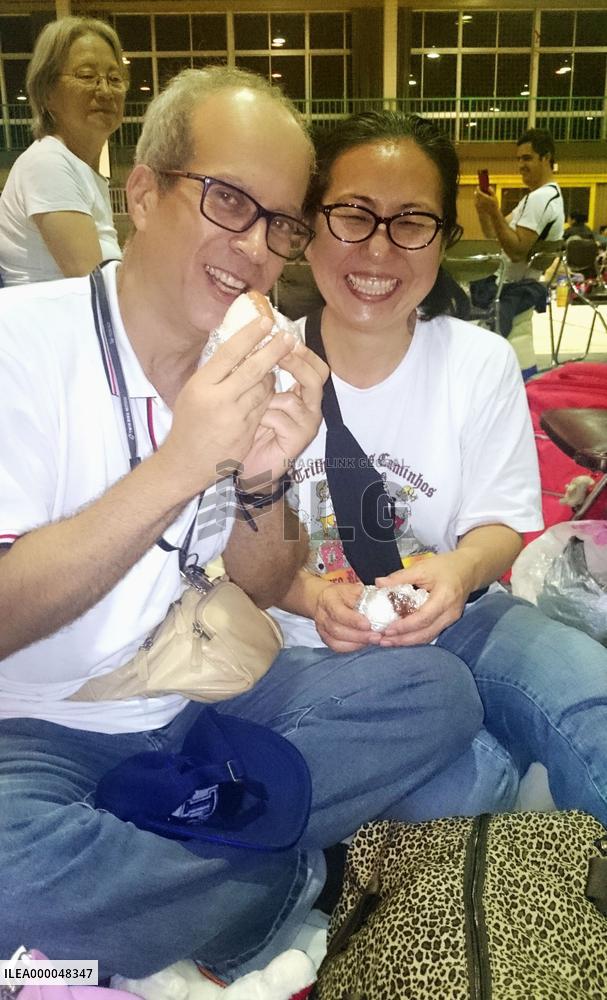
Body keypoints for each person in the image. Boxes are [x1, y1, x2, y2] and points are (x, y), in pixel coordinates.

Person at [0, 70, 491, 983]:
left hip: (203, 698)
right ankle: (277, 875)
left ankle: (172, 874)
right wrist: (183, 463)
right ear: (141, 193)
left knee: (435, 694)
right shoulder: (19, 342)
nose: (256, 247)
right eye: (228, 200)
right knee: (13, 885)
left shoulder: (247, 358)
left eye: (281, 223)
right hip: (34, 729)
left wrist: (263, 482)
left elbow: (262, 585)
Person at [259, 109, 607, 835]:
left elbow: (500, 523)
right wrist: (310, 593)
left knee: (591, 706)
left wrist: (456, 571)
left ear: (444, 235)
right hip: (313, 644)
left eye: (412, 222)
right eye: (353, 215)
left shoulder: (476, 361)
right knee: (464, 788)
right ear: (309, 224)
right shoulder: (258, 368)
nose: (379, 248)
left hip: (465, 617)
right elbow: (230, 547)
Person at [0, 17, 126, 286]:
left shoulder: (81, 169)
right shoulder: (47, 164)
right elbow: (95, 285)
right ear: (47, 92)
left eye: (114, 78)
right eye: (87, 76)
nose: (105, 91)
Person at [474, 127, 565, 283]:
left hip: (506, 288)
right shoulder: (548, 196)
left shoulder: (540, 198)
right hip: (503, 283)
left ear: (546, 158)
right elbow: (492, 234)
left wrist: (494, 211)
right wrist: (483, 211)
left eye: (527, 158)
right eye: (519, 159)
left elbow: (516, 253)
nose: (521, 165)